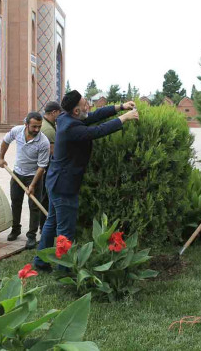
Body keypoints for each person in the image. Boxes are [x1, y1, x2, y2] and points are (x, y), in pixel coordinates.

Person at [33, 91, 138, 271]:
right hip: (64, 185)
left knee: (52, 222)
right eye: (84, 104)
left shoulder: (66, 117)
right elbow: (97, 131)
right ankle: (64, 271)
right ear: (76, 111)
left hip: (55, 181)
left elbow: (94, 116)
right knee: (65, 231)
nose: (88, 106)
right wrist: (124, 118)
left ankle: (40, 261)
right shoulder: (71, 128)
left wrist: (120, 107)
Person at [0, 112, 50, 250]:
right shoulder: (17, 131)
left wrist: (32, 185)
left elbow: (42, 166)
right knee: (16, 202)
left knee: (34, 206)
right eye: (34, 126)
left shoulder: (43, 142)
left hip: (34, 176)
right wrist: (1, 157)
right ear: (26, 124)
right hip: (17, 173)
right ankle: (15, 229)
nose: (37, 130)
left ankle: (31, 235)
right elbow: (5, 141)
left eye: (39, 126)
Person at [38, 101, 61, 231]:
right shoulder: (48, 130)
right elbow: (53, 152)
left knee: (44, 197)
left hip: (42, 168)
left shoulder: (47, 125)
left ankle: (43, 226)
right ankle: (44, 227)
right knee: (45, 199)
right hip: (45, 168)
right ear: (54, 112)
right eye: (59, 113)